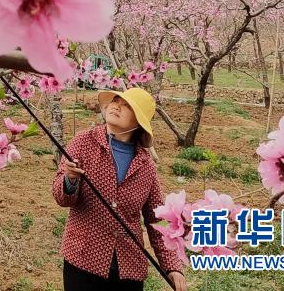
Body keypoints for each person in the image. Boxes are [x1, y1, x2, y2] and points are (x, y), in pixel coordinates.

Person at [52, 87, 187, 291]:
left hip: (128, 268)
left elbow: (157, 219)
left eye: (127, 106)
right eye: (116, 101)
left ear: (139, 122)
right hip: (83, 260)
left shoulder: (146, 166)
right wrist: (70, 180)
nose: (117, 106)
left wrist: (172, 267)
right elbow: (62, 198)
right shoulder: (83, 142)